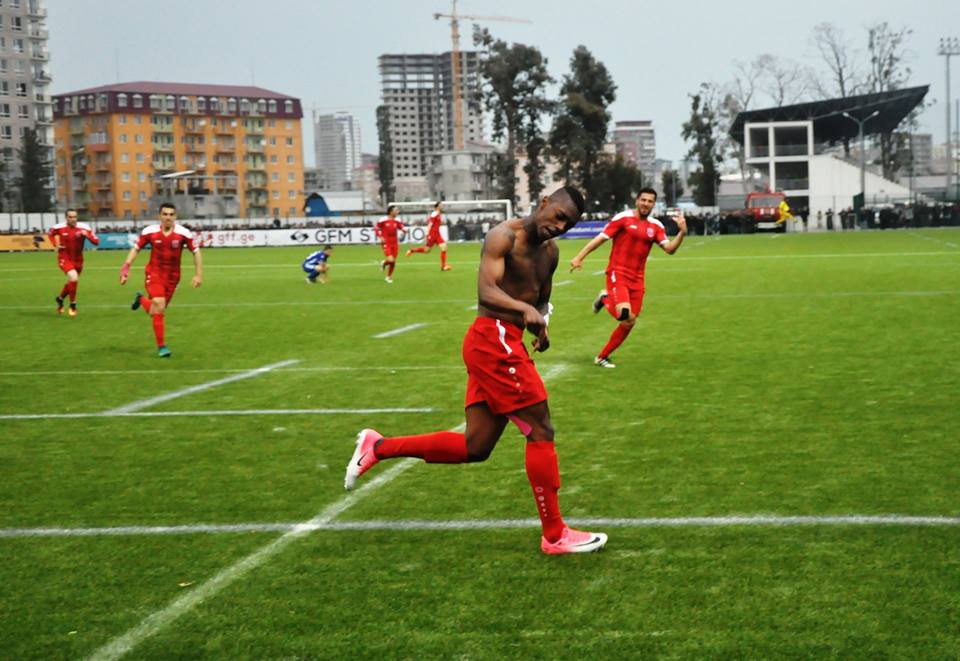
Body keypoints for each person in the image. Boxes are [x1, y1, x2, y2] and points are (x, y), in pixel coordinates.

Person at [344, 186, 607, 555]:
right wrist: (524, 311)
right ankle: (554, 535)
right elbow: (486, 291)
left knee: (476, 446)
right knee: (541, 426)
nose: (559, 227)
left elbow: (541, 296)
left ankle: (379, 447)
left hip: (505, 341)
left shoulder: (551, 253)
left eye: (569, 224)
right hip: (492, 337)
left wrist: (541, 321)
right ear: (544, 203)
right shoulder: (504, 236)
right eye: (559, 216)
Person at [569, 187, 686, 368]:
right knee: (623, 313)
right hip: (618, 273)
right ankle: (606, 297)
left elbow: (670, 249)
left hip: (638, 279)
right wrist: (579, 257)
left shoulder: (655, 226)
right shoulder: (622, 219)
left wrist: (682, 233)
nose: (646, 204)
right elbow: (600, 239)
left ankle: (602, 356)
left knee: (629, 321)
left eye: (650, 201)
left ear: (654, 204)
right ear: (637, 201)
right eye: (643, 200)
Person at [119, 203, 202, 358]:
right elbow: (136, 248)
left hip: (173, 278)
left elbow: (196, 252)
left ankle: (141, 299)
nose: (168, 217)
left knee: (156, 311)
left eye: (171, 214)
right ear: (160, 216)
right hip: (154, 273)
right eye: (165, 214)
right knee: (159, 304)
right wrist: (126, 267)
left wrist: (198, 275)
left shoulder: (184, 233)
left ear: (175, 217)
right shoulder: (150, 232)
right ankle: (162, 347)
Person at [48, 209, 99, 316]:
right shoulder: (59, 227)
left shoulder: (84, 227)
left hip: (78, 259)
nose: (73, 219)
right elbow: (50, 234)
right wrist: (55, 245)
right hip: (64, 257)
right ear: (66, 218)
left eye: (74, 217)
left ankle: (60, 299)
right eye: (70, 217)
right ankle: (73, 305)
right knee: (74, 278)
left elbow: (96, 242)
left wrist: (87, 235)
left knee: (72, 281)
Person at [405, 200, 452, 271]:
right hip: (432, 234)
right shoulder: (434, 213)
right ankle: (412, 250)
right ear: (437, 206)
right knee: (426, 250)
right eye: (441, 204)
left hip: (437, 234)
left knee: (444, 247)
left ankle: (443, 266)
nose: (442, 205)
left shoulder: (439, 213)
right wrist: (427, 234)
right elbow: (430, 224)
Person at [375, 205, 407, 283]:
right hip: (386, 243)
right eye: (396, 210)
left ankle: (388, 277)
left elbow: (401, 227)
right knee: (391, 259)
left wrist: (404, 230)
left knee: (393, 261)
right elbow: (376, 228)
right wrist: (380, 237)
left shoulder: (397, 220)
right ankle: (384, 263)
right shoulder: (383, 220)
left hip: (395, 243)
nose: (397, 212)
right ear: (391, 211)